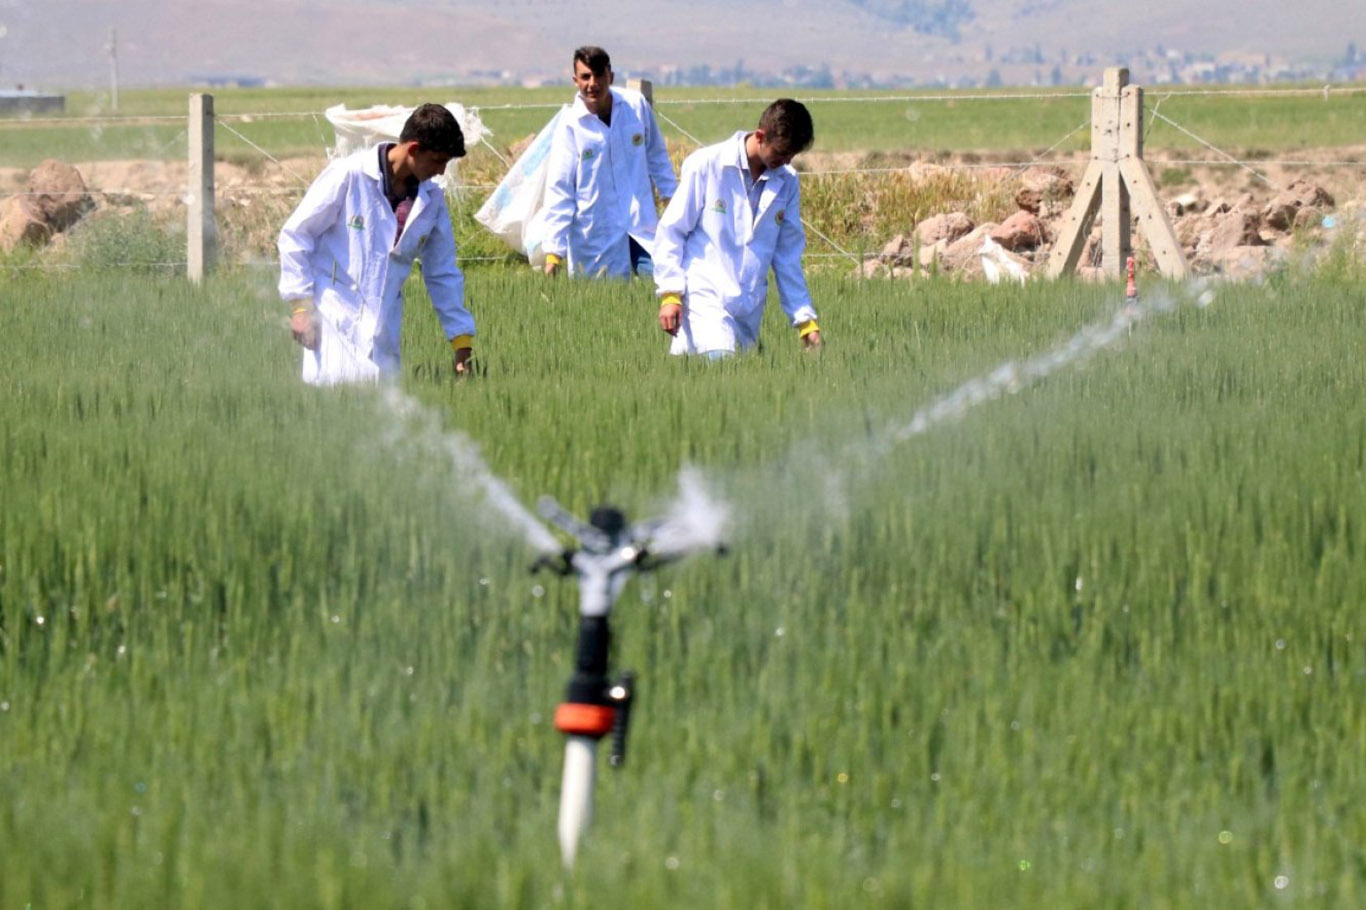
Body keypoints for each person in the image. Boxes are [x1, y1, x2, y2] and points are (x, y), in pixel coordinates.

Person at [279, 103, 475, 386]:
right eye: (438, 160)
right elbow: (296, 234)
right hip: (334, 318)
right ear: (413, 149)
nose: (442, 171)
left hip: (383, 327)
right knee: (332, 402)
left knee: (382, 405)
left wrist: (461, 340)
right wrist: (300, 305)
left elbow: (442, 272)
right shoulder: (348, 175)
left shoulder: (431, 200)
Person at [654, 98, 822, 357]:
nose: (786, 161)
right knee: (720, 360)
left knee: (734, 374)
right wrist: (670, 294)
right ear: (760, 136)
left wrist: (805, 321)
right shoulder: (707, 165)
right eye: (781, 153)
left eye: (791, 155)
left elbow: (787, 255)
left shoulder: (787, 181)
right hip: (704, 292)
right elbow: (672, 231)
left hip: (748, 305)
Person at [541, 46, 678, 279]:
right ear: (575, 80)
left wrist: (673, 202)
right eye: (585, 76)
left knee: (660, 282)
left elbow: (657, 156)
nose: (592, 83)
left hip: (640, 227)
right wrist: (554, 252)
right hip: (596, 234)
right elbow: (560, 189)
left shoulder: (635, 107)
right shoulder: (570, 125)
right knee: (601, 298)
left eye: (599, 75)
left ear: (611, 77)